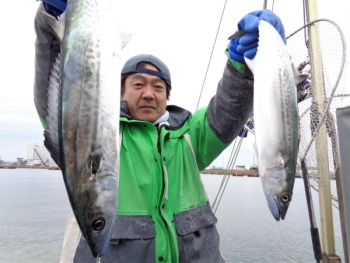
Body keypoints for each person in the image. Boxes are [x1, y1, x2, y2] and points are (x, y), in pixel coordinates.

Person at [34, 1, 286, 262]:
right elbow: (56, 99)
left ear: (167, 96)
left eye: (158, 87)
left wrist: (240, 66)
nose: (148, 94)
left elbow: (229, 110)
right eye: (138, 84)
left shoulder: (189, 136)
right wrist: (53, 24)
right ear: (119, 92)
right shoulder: (91, 133)